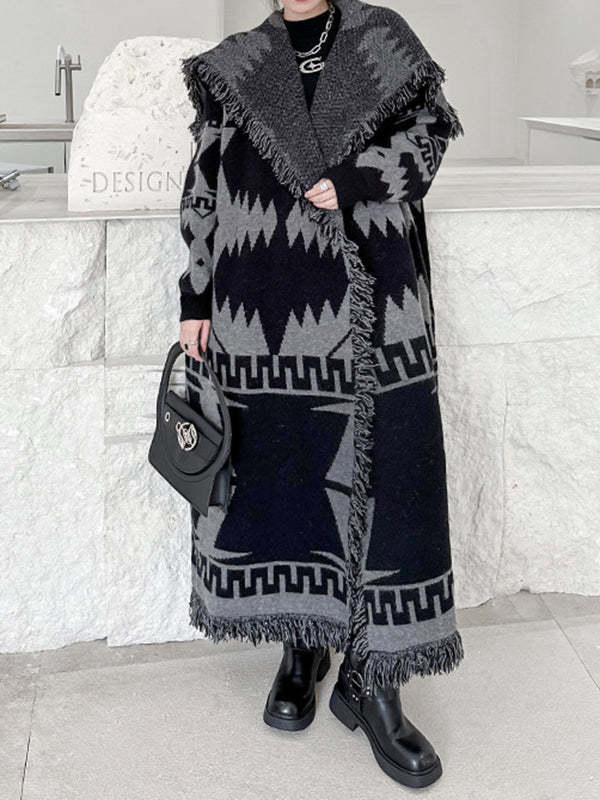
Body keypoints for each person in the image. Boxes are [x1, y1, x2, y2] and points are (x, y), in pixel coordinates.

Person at [177, 0, 465, 788]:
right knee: (286, 478)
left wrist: (355, 178)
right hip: (263, 311)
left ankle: (375, 682)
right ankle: (302, 644)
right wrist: (195, 296)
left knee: (391, 485)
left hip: (377, 303)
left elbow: (430, 139)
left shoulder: (381, 38)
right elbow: (203, 183)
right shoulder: (235, 62)